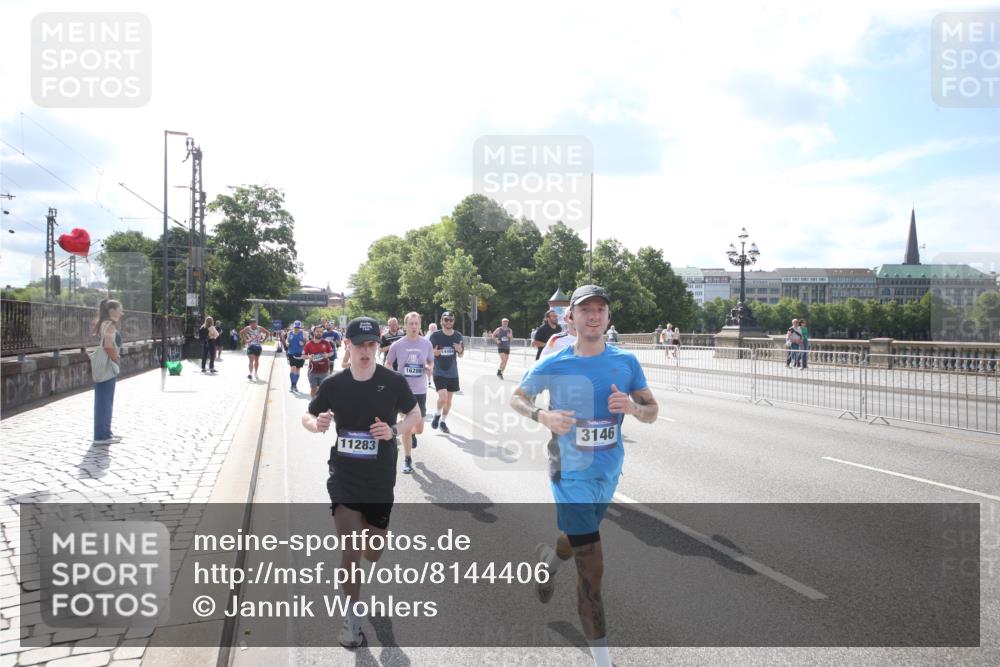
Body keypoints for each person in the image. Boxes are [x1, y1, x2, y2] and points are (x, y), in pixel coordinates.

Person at [510, 285, 658, 667]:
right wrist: (542, 416)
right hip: (569, 471)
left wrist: (633, 408)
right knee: (592, 565)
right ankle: (603, 662)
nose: (593, 316)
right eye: (585, 310)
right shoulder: (555, 362)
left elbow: (653, 409)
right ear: (570, 318)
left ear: (608, 318)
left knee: (576, 539)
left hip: (607, 470)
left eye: (600, 310)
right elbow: (516, 397)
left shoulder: (625, 362)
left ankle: (548, 563)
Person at [301, 316, 421, 649]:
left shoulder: (393, 381)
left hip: (380, 480)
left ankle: (367, 565)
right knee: (351, 548)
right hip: (344, 478)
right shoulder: (334, 385)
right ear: (348, 346)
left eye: (371, 345)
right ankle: (352, 620)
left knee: (373, 552)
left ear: (377, 347)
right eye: (359, 344)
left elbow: (416, 418)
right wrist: (317, 423)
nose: (366, 351)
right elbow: (307, 415)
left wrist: (395, 430)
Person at [386, 312, 434, 474]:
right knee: (406, 425)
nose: (414, 326)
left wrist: (429, 368)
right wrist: (392, 376)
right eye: (411, 324)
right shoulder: (397, 345)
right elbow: (388, 362)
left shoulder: (426, 344)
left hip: (420, 390)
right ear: (405, 326)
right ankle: (407, 459)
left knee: (419, 429)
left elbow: (430, 361)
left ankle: (412, 434)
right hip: (403, 391)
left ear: (420, 325)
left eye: (416, 323)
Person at [91, 299, 124, 446]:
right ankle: (102, 435)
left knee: (103, 400)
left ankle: (105, 432)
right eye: (120, 309)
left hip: (104, 366)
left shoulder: (103, 323)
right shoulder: (110, 325)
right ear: (112, 311)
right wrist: (115, 358)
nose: (122, 312)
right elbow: (108, 346)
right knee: (105, 401)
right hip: (107, 366)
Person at [429, 311, 463, 434]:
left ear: (453, 321)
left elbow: (461, 354)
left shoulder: (458, 335)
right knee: (442, 398)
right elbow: (429, 352)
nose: (448, 322)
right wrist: (434, 353)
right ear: (441, 321)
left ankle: (443, 422)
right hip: (439, 372)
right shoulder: (435, 336)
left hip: (453, 373)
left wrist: (459, 350)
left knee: (448, 401)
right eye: (446, 319)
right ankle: (437, 414)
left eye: (451, 320)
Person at [303, 326, 334, 397]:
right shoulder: (309, 344)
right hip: (312, 371)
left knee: (322, 389)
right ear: (314, 332)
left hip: (324, 371)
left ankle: (321, 406)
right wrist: (308, 357)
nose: (319, 333)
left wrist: (327, 355)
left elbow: (331, 353)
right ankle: (313, 405)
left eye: (321, 332)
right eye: (317, 331)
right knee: (313, 389)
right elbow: (303, 356)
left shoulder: (326, 343)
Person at [286, 321, 307, 392]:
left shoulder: (303, 333)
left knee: (298, 369)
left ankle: (295, 385)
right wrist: (287, 343)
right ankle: (292, 385)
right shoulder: (289, 333)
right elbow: (287, 340)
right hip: (291, 353)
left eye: (298, 327)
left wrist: (303, 343)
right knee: (293, 368)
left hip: (300, 354)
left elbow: (307, 342)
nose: (296, 329)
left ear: (300, 327)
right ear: (293, 326)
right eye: (295, 327)